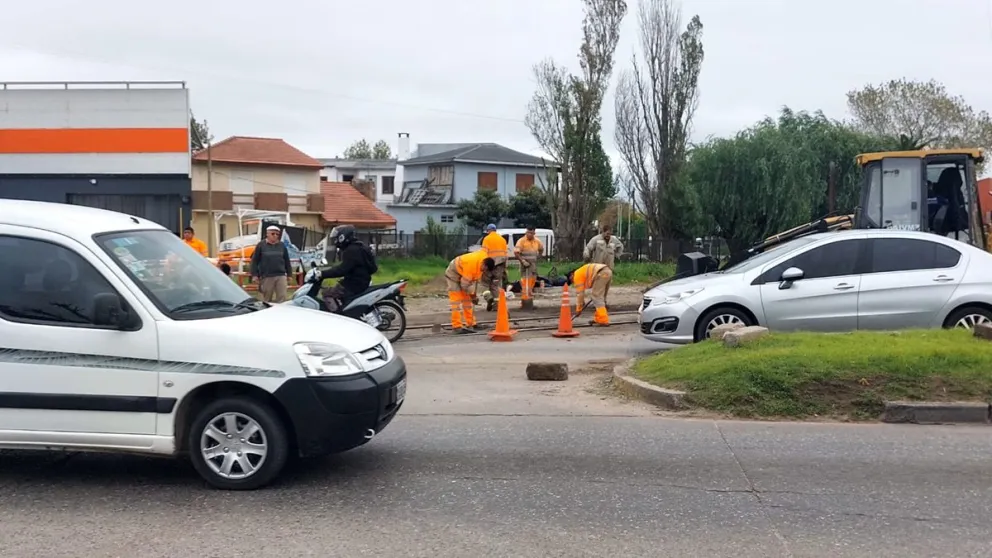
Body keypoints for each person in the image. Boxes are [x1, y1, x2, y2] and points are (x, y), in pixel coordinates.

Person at [316, 225, 378, 312]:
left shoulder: (351, 250)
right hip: (363, 281)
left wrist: (322, 274)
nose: (335, 241)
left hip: (353, 285)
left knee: (327, 293)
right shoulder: (361, 246)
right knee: (335, 289)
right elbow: (373, 268)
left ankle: (338, 316)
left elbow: (342, 270)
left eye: (337, 238)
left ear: (343, 236)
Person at [444, 249, 495, 334]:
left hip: (463, 274)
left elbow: (472, 282)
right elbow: (465, 285)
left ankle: (471, 323)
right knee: (456, 301)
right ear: (484, 264)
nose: (484, 271)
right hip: (453, 274)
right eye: (485, 269)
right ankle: (456, 326)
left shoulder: (483, 260)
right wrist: (473, 296)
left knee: (467, 301)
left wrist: (473, 295)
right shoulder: (471, 266)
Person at [583, 225, 624, 308]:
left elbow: (621, 247)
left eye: (610, 233)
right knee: (598, 287)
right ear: (603, 232)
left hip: (609, 268)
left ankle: (603, 301)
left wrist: (617, 255)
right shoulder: (596, 239)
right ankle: (598, 303)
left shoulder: (614, 240)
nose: (608, 235)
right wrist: (586, 255)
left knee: (606, 286)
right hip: (598, 268)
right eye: (606, 233)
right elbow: (588, 247)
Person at [250, 225, 293, 303]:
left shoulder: (282, 245)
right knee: (267, 298)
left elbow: (286, 260)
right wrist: (254, 275)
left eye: (277, 234)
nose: (275, 236)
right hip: (267, 276)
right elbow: (254, 260)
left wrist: (289, 274)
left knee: (282, 297)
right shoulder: (261, 245)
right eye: (273, 234)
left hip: (281, 275)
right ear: (267, 234)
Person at [566, 262, 613, 327]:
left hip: (601, 273)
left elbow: (580, 294)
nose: (573, 282)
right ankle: (598, 319)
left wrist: (578, 309)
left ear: (571, 275)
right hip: (607, 271)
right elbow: (581, 294)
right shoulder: (581, 271)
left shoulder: (576, 275)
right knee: (601, 298)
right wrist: (582, 303)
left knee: (596, 297)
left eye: (571, 280)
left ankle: (603, 320)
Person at [513, 226, 543, 310]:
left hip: (533, 264)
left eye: (532, 233)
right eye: (529, 233)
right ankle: (525, 301)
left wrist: (539, 257)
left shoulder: (537, 241)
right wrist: (522, 261)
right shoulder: (521, 241)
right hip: (525, 265)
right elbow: (516, 253)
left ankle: (529, 300)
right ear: (526, 232)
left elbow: (541, 249)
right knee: (526, 282)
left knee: (532, 280)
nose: (530, 235)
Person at [480, 223, 508, 311]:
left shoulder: (487, 239)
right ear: (495, 230)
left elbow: (484, 253)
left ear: (488, 231)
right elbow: (505, 254)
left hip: (490, 265)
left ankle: (488, 298)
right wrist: (504, 268)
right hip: (499, 266)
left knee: (485, 284)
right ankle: (497, 306)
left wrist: (482, 266)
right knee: (496, 285)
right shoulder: (502, 239)